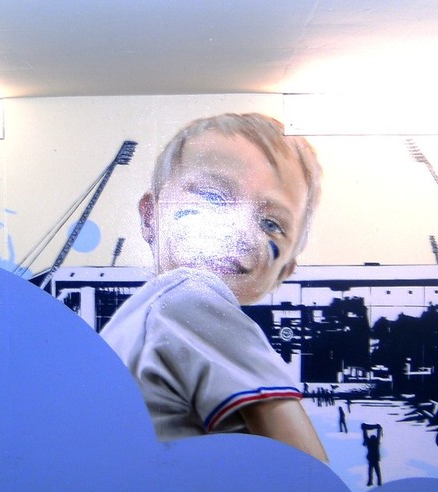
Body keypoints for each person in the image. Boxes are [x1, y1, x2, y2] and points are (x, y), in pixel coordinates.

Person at [101, 113, 327, 462]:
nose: (241, 231)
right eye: (213, 197)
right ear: (150, 216)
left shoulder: (132, 318)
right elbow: (309, 473)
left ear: (285, 270)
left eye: (270, 223)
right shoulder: (194, 298)